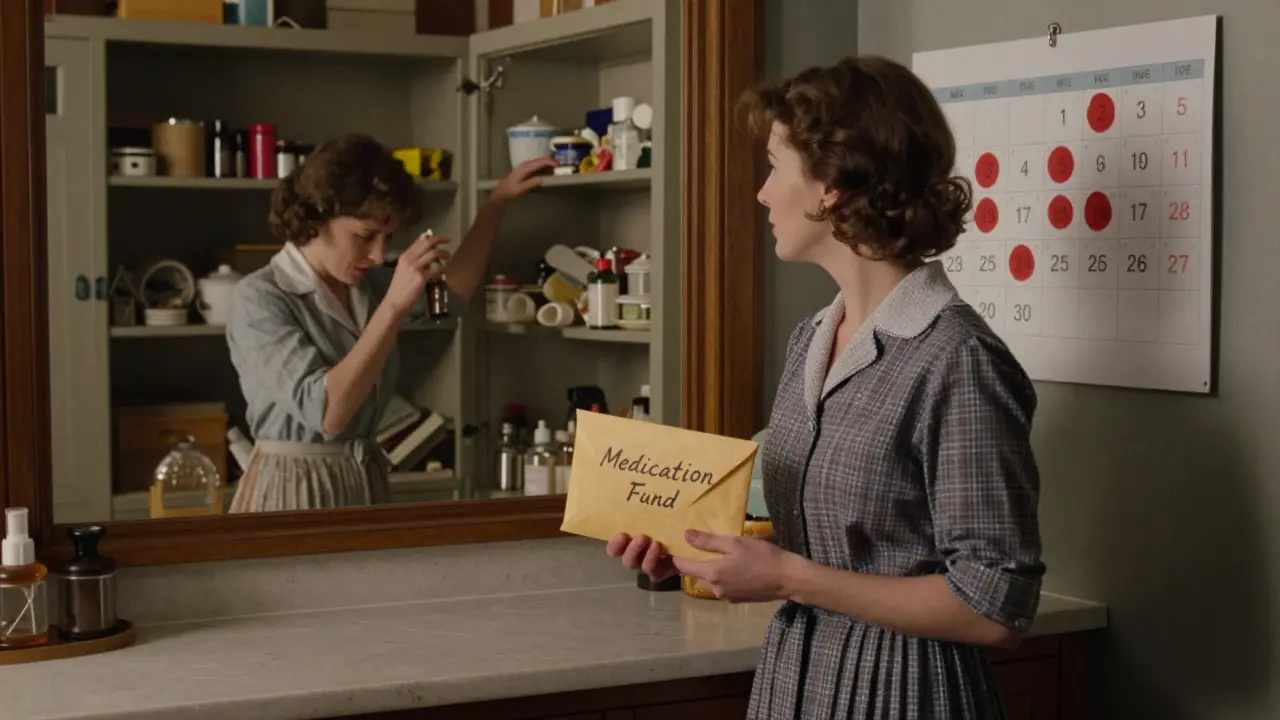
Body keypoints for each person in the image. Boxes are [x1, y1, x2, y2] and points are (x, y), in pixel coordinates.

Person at [607, 55, 1045, 718]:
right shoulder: (811, 342)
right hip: (796, 685)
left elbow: (996, 605)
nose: (761, 193)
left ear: (833, 184)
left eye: (775, 164)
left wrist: (786, 577)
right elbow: (823, 545)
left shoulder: (958, 359)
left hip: (907, 696)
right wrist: (696, 557)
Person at [226, 133, 556, 513]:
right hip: (293, 489)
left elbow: (452, 296)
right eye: (365, 235)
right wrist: (394, 306)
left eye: (388, 236)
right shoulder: (260, 296)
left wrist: (494, 205)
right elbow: (328, 414)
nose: (379, 253)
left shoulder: (368, 285)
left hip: (363, 480)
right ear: (317, 214)